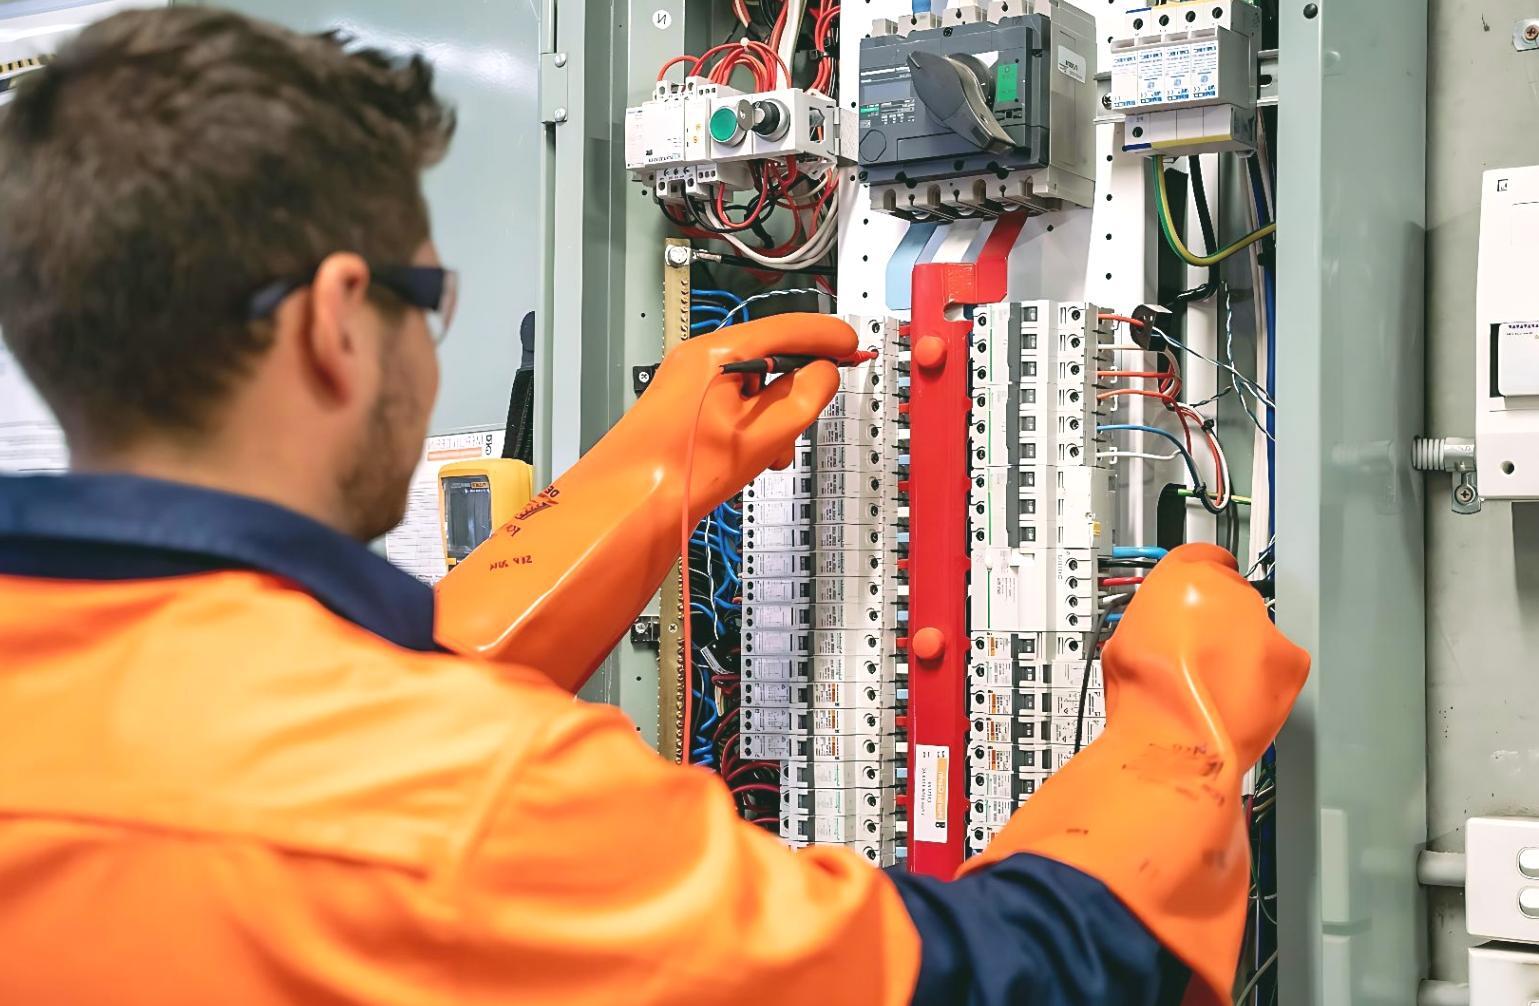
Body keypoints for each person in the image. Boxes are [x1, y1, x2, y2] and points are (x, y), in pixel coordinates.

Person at [0, 9, 1308, 1006]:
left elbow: (278, 703)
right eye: (428, 300)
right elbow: (1001, 977)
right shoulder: (482, 809)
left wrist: (637, 487)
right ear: (340, 322)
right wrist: (1174, 737)